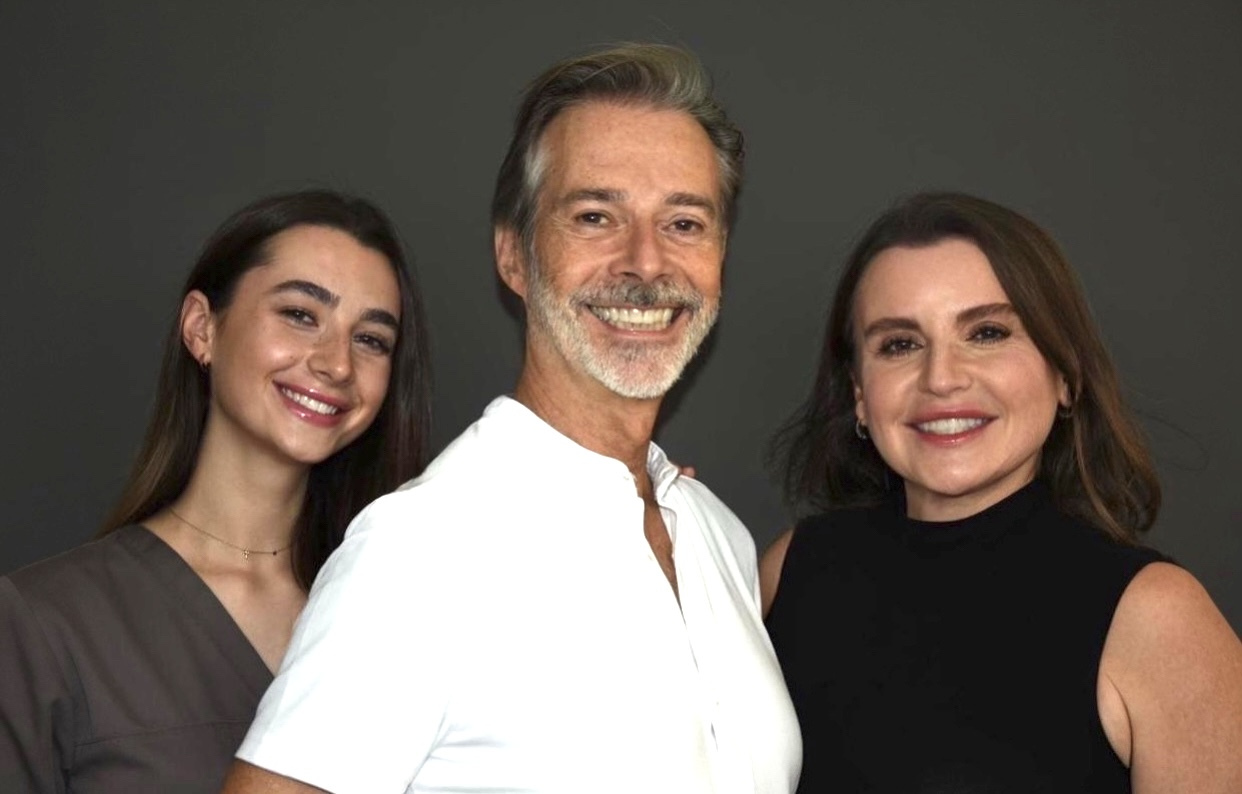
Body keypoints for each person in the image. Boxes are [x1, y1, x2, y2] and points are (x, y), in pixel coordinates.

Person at [223, 43, 801, 794]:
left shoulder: (718, 536)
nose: (646, 262)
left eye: (685, 223)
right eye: (595, 216)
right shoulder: (420, 550)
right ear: (513, 257)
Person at [762, 191, 1242, 793]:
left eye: (987, 333)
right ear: (860, 393)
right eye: (900, 344)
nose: (942, 379)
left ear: (1065, 375)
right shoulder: (792, 569)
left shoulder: (1156, 616)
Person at [0, 189, 432, 793]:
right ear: (202, 328)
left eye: (371, 340)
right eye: (300, 314)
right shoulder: (45, 624)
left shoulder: (403, 608)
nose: (337, 364)